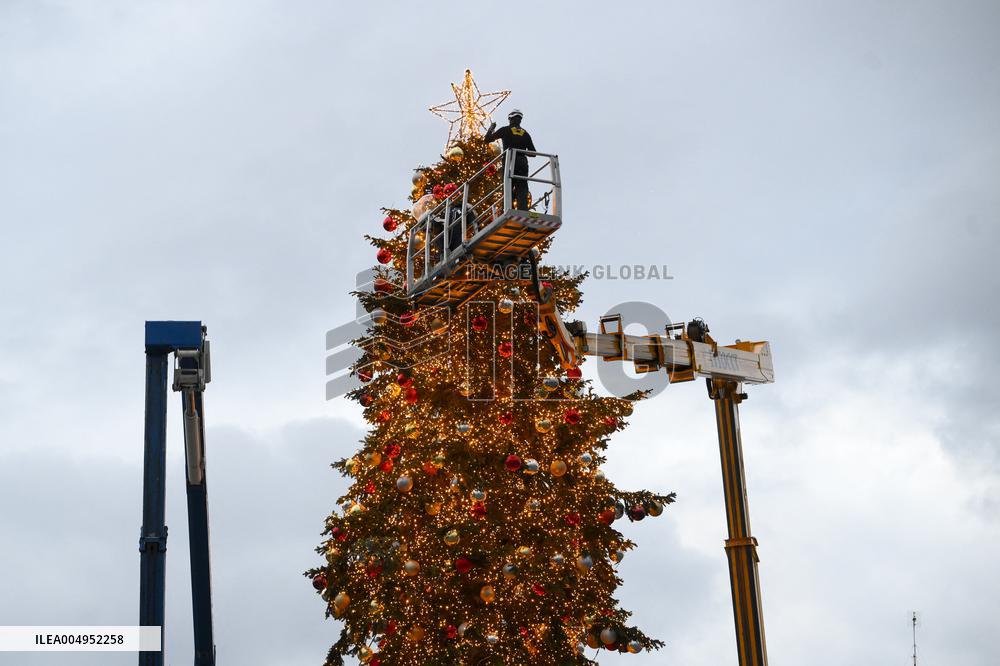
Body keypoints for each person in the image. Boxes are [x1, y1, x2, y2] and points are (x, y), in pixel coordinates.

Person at [484, 109, 535, 210]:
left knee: (508, 185)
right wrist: (521, 151)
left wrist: (491, 129)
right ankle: (523, 209)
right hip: (522, 163)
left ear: (510, 119)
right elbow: (533, 153)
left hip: (509, 161)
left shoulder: (505, 130)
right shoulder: (525, 134)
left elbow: (487, 139)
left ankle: (508, 209)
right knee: (522, 186)